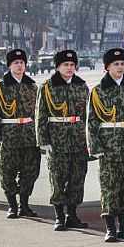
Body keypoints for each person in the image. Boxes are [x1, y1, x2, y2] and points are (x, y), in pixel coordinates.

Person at [87, 48, 124, 242]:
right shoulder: (98, 91)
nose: (120, 67)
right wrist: (95, 146)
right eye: (116, 64)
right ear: (107, 67)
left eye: (122, 64)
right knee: (109, 187)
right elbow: (92, 121)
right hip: (108, 146)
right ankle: (110, 228)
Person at [36, 50, 90, 231]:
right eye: (65, 65)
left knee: (77, 178)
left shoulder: (81, 86)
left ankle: (72, 215)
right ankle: (59, 216)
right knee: (57, 178)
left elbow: (88, 115)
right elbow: (40, 115)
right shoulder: (47, 87)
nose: (69, 68)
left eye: (72, 65)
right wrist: (43, 140)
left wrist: (88, 138)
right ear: (57, 67)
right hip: (56, 138)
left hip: (78, 137)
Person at [0, 49, 41, 219]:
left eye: (22, 63)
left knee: (30, 171)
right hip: (9, 134)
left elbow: (38, 113)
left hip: (29, 134)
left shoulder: (32, 86)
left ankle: (24, 205)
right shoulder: (1, 86)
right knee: (7, 171)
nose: (19, 66)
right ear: (9, 65)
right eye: (16, 63)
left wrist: (40, 135)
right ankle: (12, 205)